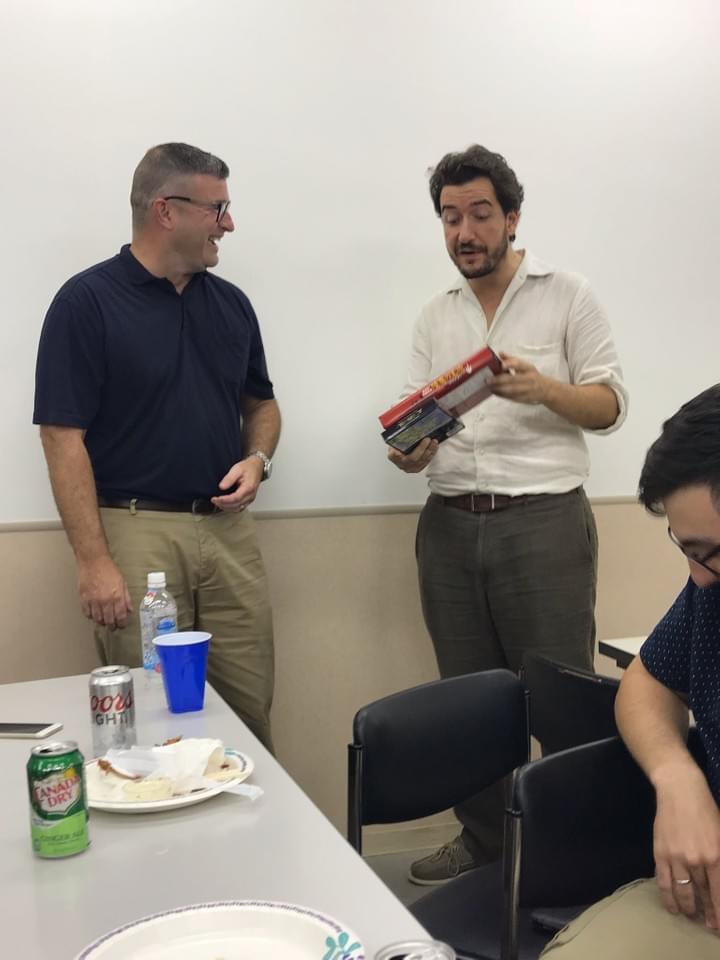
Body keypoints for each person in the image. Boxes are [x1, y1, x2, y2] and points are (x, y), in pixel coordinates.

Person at [387, 144, 628, 884]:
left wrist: (545, 390)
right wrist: (410, 451)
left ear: (512, 218)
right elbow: (412, 429)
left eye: (480, 214)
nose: (464, 231)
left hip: (544, 522)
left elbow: (611, 405)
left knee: (559, 695)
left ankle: (571, 846)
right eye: (450, 218)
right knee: (469, 704)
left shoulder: (569, 295)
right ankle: (486, 844)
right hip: (450, 522)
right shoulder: (437, 315)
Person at [34, 142, 280, 751]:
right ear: (167, 211)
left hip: (228, 534)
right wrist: (94, 562)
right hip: (136, 533)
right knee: (150, 719)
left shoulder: (231, 305)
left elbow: (262, 404)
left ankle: (249, 844)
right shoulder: (85, 303)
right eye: (217, 208)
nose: (229, 224)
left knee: (247, 709)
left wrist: (258, 459)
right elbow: (62, 436)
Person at [541, 383, 720, 958]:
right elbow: (647, 681)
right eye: (687, 549)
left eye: (710, 552)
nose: (698, 576)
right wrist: (678, 777)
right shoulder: (710, 591)